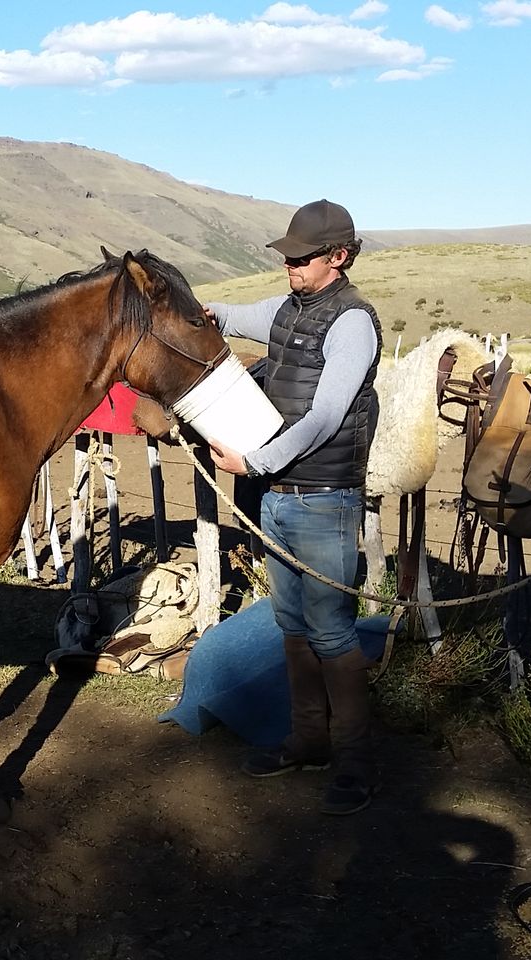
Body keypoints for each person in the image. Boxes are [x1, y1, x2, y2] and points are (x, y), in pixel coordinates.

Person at [204, 198, 381, 816]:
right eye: (287, 255)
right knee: (293, 627)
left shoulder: (353, 323)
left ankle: (355, 761)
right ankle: (308, 739)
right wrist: (212, 312)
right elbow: (247, 316)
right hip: (279, 498)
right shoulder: (291, 307)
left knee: (332, 631)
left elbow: (328, 414)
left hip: (324, 500)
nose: (290, 265)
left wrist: (256, 464)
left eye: (301, 257)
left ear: (339, 257)